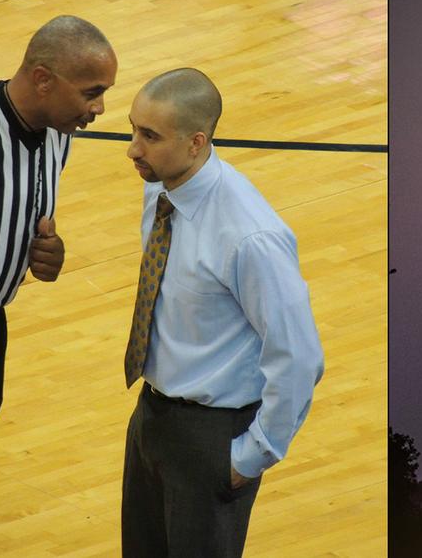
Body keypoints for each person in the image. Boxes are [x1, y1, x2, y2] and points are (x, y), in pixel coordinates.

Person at [121, 68, 323, 557]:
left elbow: (299, 356)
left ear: (196, 142)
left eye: (149, 136)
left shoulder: (251, 238)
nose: (132, 148)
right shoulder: (162, 188)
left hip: (213, 438)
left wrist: (250, 456)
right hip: (151, 415)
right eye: (133, 129)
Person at [0, 16, 117, 556]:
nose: (99, 108)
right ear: (44, 78)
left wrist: (45, 254)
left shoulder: (58, 135)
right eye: (92, 92)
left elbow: (19, 221)